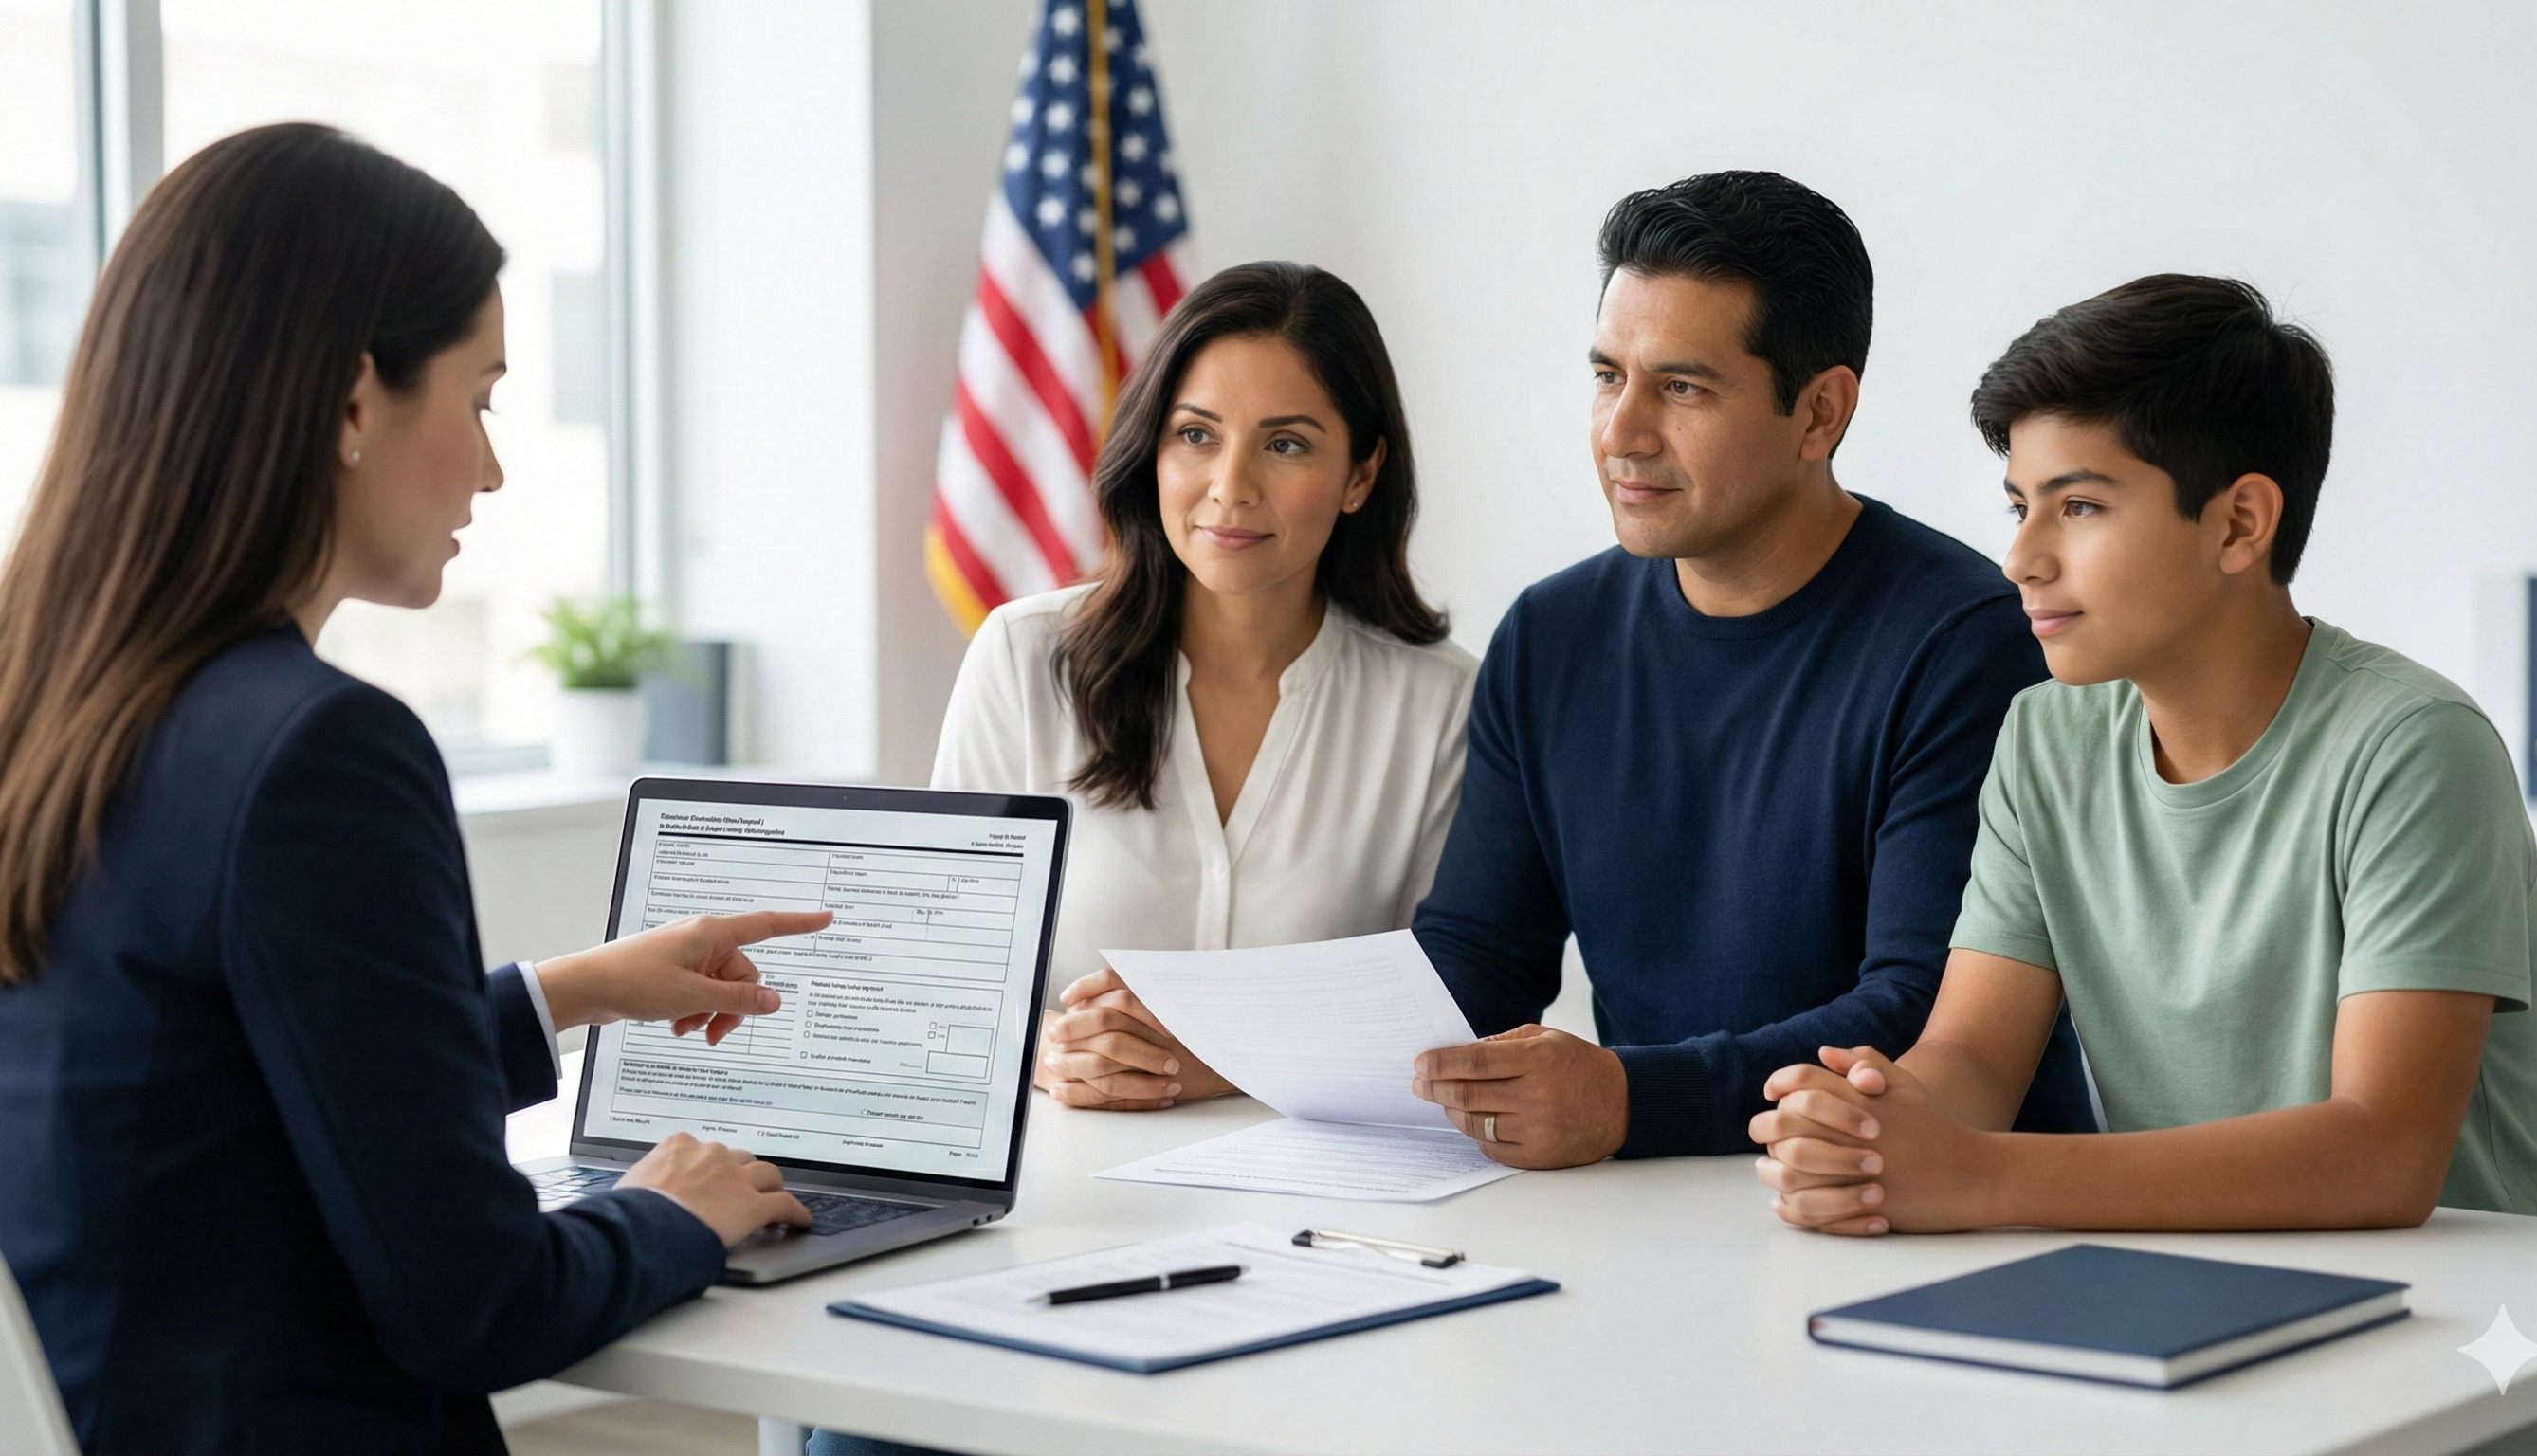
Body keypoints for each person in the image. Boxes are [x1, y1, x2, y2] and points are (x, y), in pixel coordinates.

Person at [0, 124, 829, 1454]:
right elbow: (476, 1302)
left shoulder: (54, 704)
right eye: (482, 395)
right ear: (350, 402)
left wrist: (571, 993)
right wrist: (677, 1205)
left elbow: (218, 1094)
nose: (493, 469)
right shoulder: (319, 752)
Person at [1754, 275, 2537, 1233]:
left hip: (2467, 1328)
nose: (2022, 557)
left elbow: (2381, 1154)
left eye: (2079, 508)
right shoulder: (2042, 740)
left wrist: (1979, 1176)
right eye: (2018, 505)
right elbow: (1972, 1060)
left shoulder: (2413, 748)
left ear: (2238, 523)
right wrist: (1871, 1125)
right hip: (2193, 1287)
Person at [1392, 172, 2095, 1169]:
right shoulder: (1551, 635)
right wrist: (1227, 1051)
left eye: (1681, 387)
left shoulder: (1967, 641)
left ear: (1818, 413)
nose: (1621, 434)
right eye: (1606, 376)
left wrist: (1633, 1099)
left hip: (1926, 1210)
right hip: (1655, 1204)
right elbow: (1478, 960)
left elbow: (1925, 1014)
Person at [929, 261, 1475, 1112]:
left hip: (1329, 1181)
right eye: (1196, 435)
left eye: (1285, 444)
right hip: (1071, 1180)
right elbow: (943, 971)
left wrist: (1228, 1057)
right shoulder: (1023, 658)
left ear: (1361, 476)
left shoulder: (1438, 706)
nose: (1230, 488)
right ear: (1153, 446)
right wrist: (1049, 1052)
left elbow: (1448, 1002)